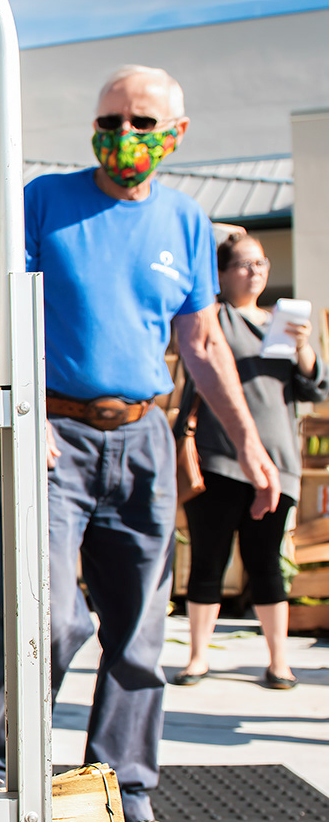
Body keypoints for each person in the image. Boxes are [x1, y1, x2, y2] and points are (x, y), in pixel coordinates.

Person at [0, 64, 280, 822]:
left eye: (141, 122)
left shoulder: (185, 223)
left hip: (142, 440)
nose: (122, 135)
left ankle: (123, 800)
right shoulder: (44, 202)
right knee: (44, 617)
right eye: (109, 120)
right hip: (51, 432)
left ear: (175, 135)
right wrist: (16, 407)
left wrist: (247, 442)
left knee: (138, 632)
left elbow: (200, 343)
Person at [175, 230, 326, 690]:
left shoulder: (283, 323)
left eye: (260, 263)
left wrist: (303, 348)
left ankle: (279, 662)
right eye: (242, 263)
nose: (254, 271)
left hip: (277, 463)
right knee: (209, 559)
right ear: (220, 274)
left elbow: (314, 390)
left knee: (266, 562)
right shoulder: (211, 319)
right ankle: (198, 658)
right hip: (218, 458)